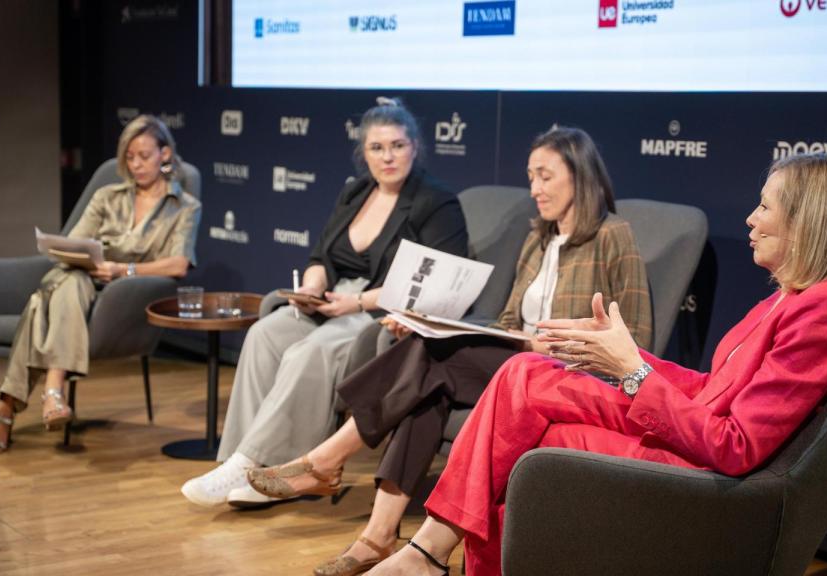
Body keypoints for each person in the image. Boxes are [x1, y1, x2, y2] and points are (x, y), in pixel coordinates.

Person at [368, 152, 827, 576]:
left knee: (529, 449)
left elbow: (735, 447)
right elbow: (713, 386)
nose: (751, 219)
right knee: (523, 374)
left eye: (765, 207)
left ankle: (430, 555)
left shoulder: (826, 311)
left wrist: (634, 374)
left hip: (702, 467)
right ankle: (430, 553)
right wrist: (624, 354)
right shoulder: (793, 297)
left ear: (810, 222)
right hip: (691, 425)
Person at [246, 126, 653, 576]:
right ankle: (379, 537)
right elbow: (507, 324)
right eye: (530, 176)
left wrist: (556, 343)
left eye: (545, 176)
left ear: (580, 176)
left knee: (430, 360)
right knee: (429, 377)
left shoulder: (615, 235)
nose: (534, 189)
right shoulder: (538, 238)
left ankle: (329, 463)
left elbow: (636, 340)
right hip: (519, 365)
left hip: (569, 376)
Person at [180, 100, 469, 506]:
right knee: (265, 333)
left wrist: (357, 302)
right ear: (363, 152)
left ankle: (266, 467)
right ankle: (240, 464)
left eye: (397, 146)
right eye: (377, 147)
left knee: (310, 350)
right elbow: (321, 256)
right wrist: (313, 286)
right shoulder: (355, 191)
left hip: (382, 311)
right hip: (335, 299)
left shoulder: (435, 202)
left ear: (415, 147)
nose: (387, 157)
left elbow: (436, 280)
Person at [0, 115, 201, 457]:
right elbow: (73, 242)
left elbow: (178, 263)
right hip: (82, 278)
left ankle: (6, 409)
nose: (136, 164)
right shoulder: (108, 196)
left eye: (144, 155)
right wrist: (89, 259)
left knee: (41, 303)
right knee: (70, 280)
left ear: (165, 154)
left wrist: (123, 270)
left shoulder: (184, 207)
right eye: (130, 157)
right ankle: (52, 392)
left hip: (118, 297)